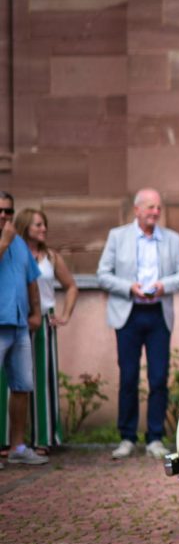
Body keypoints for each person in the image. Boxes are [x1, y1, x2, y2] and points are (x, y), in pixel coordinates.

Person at [97, 188, 179, 460]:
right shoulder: (118, 236)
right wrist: (130, 287)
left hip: (158, 314)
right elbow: (103, 274)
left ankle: (155, 438)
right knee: (128, 377)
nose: (155, 212)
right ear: (137, 210)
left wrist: (163, 285)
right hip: (128, 314)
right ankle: (127, 438)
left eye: (158, 207)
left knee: (158, 378)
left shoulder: (172, 239)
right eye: (150, 207)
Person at [15, 208, 78, 453]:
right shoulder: (11, 253)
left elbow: (71, 286)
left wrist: (65, 315)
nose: (44, 229)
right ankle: (8, 440)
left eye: (44, 224)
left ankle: (44, 437)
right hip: (16, 319)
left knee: (43, 380)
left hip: (44, 321)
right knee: (9, 380)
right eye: (38, 225)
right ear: (25, 227)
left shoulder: (50, 257)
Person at [0, 191, 47, 467]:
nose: (4, 215)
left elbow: (31, 280)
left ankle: (17, 446)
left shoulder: (18, 242)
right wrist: (3, 243)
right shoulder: (9, 240)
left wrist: (36, 312)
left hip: (19, 324)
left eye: (8, 211)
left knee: (22, 386)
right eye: (0, 211)